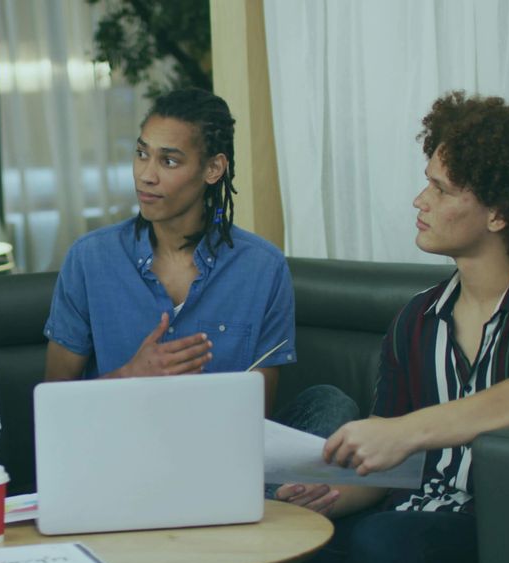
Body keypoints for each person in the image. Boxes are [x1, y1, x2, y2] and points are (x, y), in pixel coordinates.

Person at [277, 91, 509, 563]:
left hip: (491, 528)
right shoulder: (416, 318)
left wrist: (409, 431)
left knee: (382, 542)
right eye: (427, 184)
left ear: (499, 213)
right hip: (401, 520)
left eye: (442, 189)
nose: (421, 200)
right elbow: (390, 466)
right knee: (297, 543)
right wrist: (329, 493)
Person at [44, 87, 357, 433]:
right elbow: (56, 408)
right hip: (122, 445)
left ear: (213, 169)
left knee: (330, 404)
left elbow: (256, 419)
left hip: (222, 447)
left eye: (169, 161)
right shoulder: (89, 259)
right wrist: (130, 376)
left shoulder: (262, 269)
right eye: (142, 154)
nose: (146, 175)